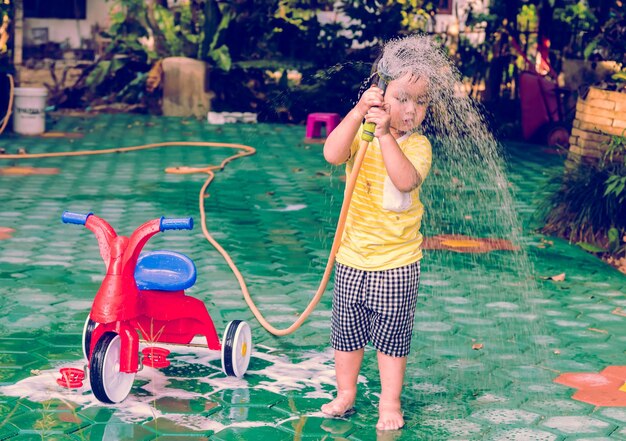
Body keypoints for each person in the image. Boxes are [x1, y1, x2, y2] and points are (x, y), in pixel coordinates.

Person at [321, 37, 433, 431]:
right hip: (352, 256)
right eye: (402, 98)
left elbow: (404, 181)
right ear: (382, 96)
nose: (410, 109)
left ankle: (390, 401)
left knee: (391, 339)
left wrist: (386, 136)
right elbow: (333, 154)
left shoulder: (417, 145)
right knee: (346, 334)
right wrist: (356, 114)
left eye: (420, 102)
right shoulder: (361, 134)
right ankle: (346, 392)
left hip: (397, 263)